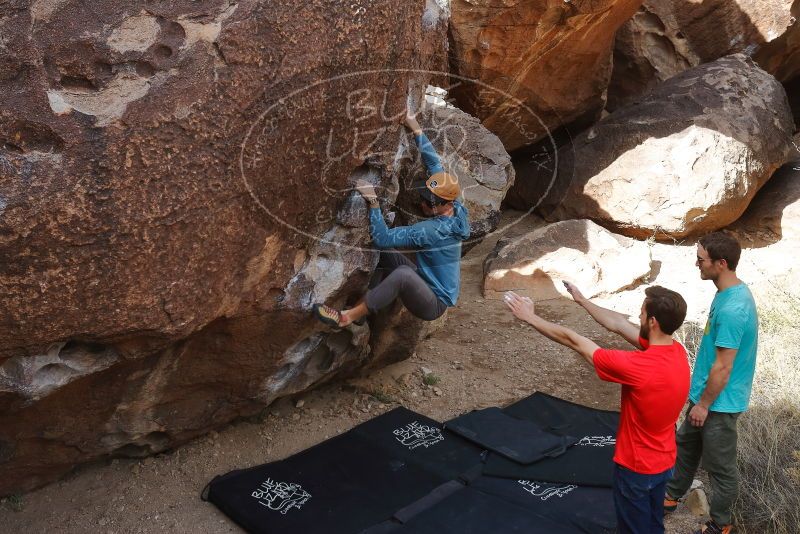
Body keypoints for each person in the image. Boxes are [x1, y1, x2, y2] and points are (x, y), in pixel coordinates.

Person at [504, 284, 690, 534]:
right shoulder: (676, 351)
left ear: (653, 321)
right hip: (664, 461)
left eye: (642, 313)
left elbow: (576, 341)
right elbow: (619, 324)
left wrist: (530, 317)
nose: (638, 317)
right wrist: (582, 300)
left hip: (636, 469)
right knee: (654, 524)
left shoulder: (638, 367)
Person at [313, 112, 470, 327]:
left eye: (431, 203)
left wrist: (373, 203)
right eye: (425, 197)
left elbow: (382, 237)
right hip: (424, 280)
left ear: (445, 205)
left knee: (403, 273)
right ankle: (365, 307)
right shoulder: (456, 206)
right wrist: (416, 128)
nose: (424, 203)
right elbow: (435, 166)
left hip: (434, 301)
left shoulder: (431, 230)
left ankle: (346, 317)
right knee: (386, 255)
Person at [664, 232, 758, 534]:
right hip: (707, 398)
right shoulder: (727, 292)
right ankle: (670, 496)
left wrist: (703, 405)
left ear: (721, 263)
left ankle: (721, 523)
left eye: (701, 259)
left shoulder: (733, 308)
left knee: (721, 469)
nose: (696, 264)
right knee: (687, 447)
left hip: (719, 403)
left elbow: (724, 366)